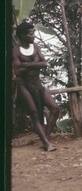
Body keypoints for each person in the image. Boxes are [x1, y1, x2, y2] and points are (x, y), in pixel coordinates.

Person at [12, 21, 60, 152]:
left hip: (37, 83)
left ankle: (46, 139)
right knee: (34, 113)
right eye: (31, 34)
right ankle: (46, 143)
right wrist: (35, 63)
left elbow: (44, 64)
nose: (33, 36)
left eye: (33, 33)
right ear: (22, 35)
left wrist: (26, 65)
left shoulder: (36, 47)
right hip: (24, 85)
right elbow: (18, 71)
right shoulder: (16, 51)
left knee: (55, 108)